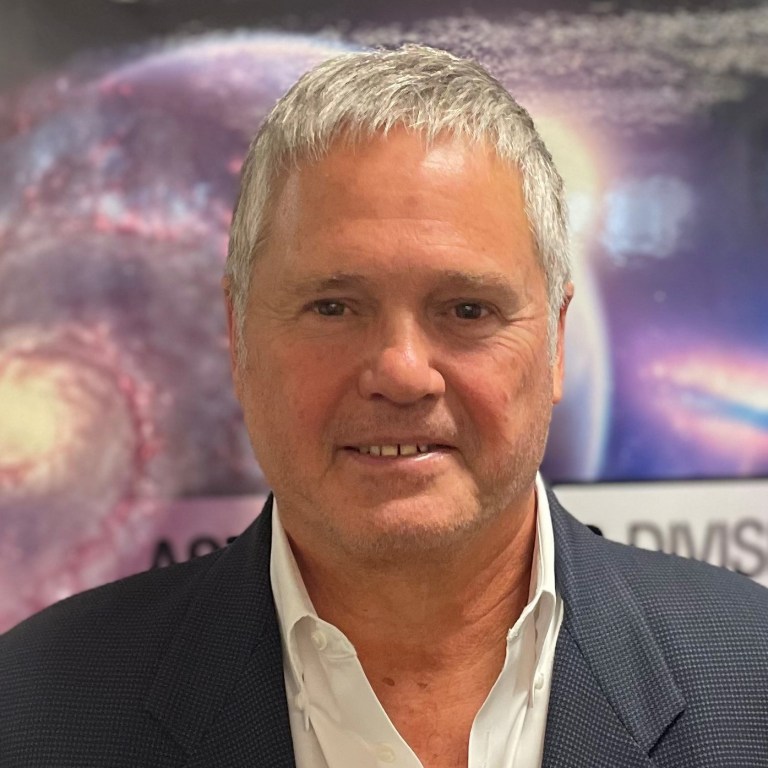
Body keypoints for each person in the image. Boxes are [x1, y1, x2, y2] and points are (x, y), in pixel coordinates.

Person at [2, 45, 768, 768]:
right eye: (334, 307)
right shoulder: (35, 708)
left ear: (557, 344)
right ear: (237, 338)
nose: (402, 374)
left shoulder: (750, 682)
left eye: (467, 310)